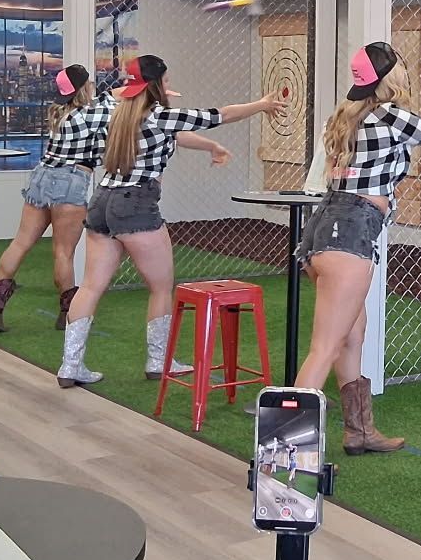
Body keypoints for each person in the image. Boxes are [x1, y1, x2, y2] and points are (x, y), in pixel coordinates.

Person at [292, 41, 421, 452]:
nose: (406, 71)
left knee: (352, 335)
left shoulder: (348, 114)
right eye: (401, 65)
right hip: (349, 231)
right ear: (391, 76)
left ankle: (359, 432)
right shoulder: (389, 114)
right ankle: (287, 452)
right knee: (325, 347)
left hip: (328, 230)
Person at [57, 55, 282, 387]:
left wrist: (208, 145)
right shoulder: (161, 116)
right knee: (161, 288)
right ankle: (159, 363)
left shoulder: (114, 113)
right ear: (157, 86)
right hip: (137, 204)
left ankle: (69, 366)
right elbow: (220, 115)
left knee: (90, 287)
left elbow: (175, 133)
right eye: (165, 81)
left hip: (103, 201)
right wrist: (262, 104)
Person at [0, 64, 229, 333]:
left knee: (21, 242)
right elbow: (124, 99)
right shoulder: (97, 111)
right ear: (85, 88)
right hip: (71, 180)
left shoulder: (60, 112)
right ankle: (67, 312)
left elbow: (117, 95)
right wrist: (155, 90)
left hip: (42, 175)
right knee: (63, 252)